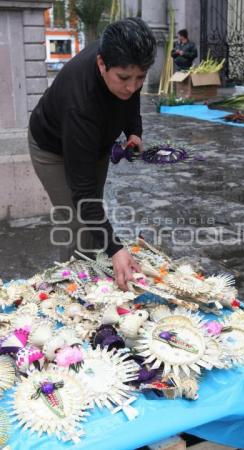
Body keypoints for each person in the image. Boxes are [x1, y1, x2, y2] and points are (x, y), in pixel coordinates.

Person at [28, 17, 156, 291]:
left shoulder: (126, 60)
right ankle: (68, 287)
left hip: (95, 141)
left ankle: (93, 274)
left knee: (91, 221)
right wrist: (117, 249)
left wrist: (134, 131)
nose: (132, 86)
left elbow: (131, 100)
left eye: (140, 78)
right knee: (75, 218)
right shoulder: (81, 104)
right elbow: (84, 193)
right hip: (52, 147)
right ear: (101, 64)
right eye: (124, 78)